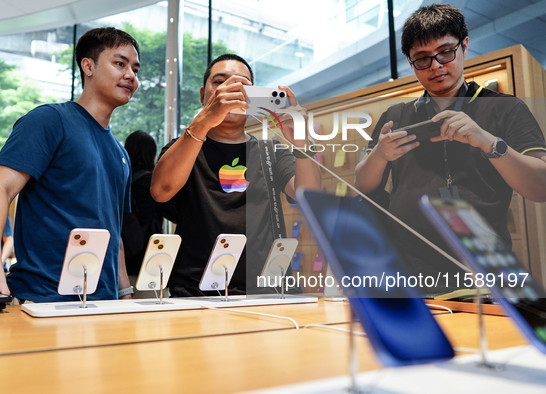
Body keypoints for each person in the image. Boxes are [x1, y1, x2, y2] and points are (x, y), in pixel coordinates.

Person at [354, 4, 546, 280]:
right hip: (410, 273)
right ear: (410, 62)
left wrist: (490, 143)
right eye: (422, 59)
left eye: (445, 52)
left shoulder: (506, 108)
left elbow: (541, 188)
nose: (435, 66)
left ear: (464, 45)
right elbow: (362, 186)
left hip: (485, 271)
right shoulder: (395, 116)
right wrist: (380, 155)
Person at [0, 27, 140, 310]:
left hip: (103, 305)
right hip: (43, 301)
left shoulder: (121, 154)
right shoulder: (50, 121)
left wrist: (124, 293)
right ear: (88, 66)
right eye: (120, 63)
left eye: (135, 69)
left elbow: (113, 234)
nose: (131, 75)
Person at [151, 54, 321, 297]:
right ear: (203, 95)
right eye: (219, 82)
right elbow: (160, 191)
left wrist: (303, 144)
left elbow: (310, 196)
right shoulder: (183, 149)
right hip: (195, 293)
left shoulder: (271, 151)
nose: (231, 90)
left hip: (268, 291)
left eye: (243, 86)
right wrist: (203, 121)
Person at [121, 130, 164, 280]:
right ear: (151, 153)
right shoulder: (153, 183)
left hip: (121, 257)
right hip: (147, 256)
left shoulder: (120, 179)